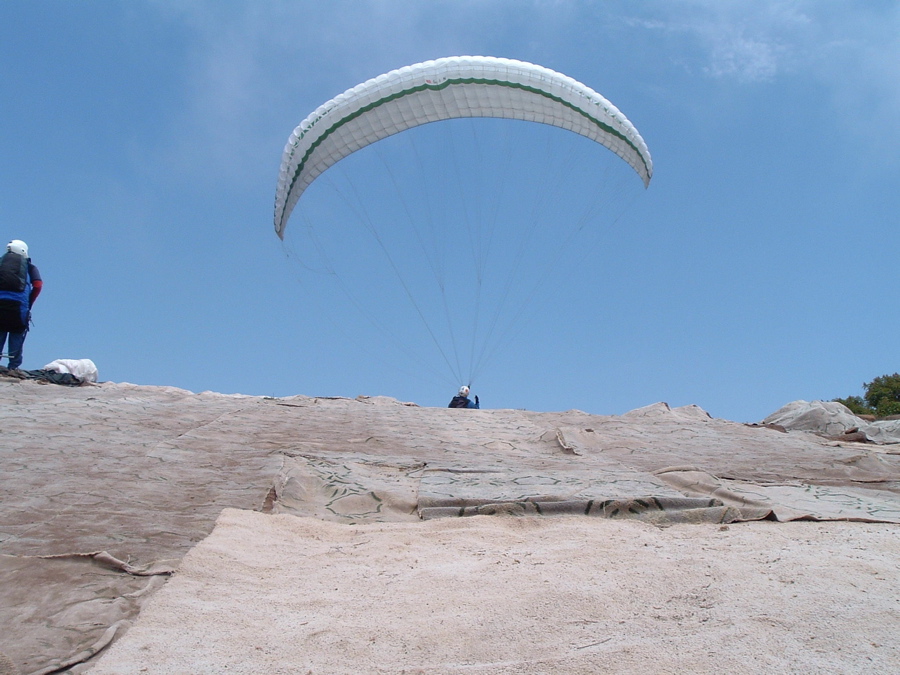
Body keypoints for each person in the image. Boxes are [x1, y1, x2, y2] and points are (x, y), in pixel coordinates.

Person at [0, 240, 42, 371]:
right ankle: (13, 367)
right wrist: (29, 302)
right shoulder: (30, 267)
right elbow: (38, 285)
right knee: (17, 333)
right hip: (19, 308)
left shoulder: (1, 262)